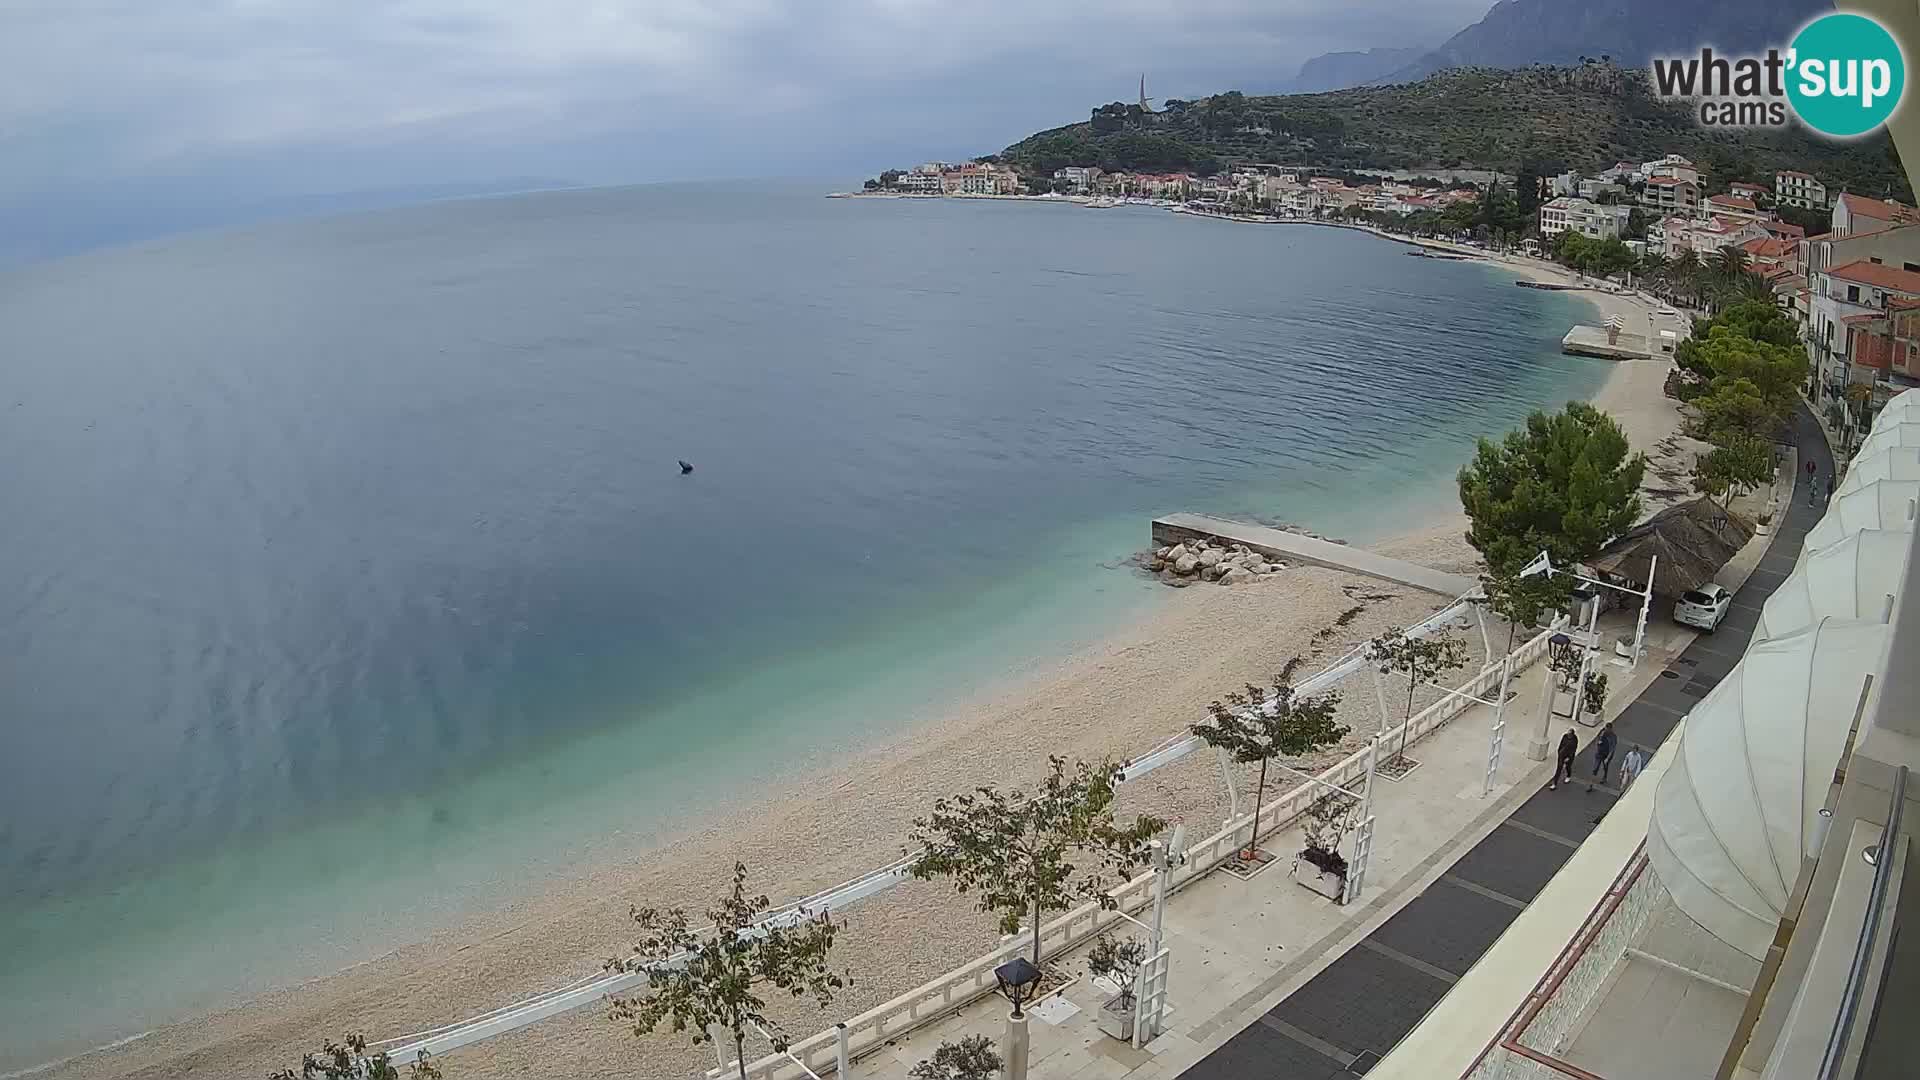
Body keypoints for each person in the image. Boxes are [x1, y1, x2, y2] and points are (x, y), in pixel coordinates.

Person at [1589, 722, 1618, 791]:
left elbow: (1612, 748)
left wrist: (1607, 758)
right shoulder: (1602, 732)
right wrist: (1598, 742)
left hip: (1607, 754)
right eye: (1605, 728)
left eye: (1607, 729)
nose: (1606, 730)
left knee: (1605, 766)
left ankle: (1604, 777)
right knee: (1595, 768)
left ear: (1610, 729)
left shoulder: (1613, 737)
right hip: (1599, 753)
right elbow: (1597, 737)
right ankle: (1590, 784)